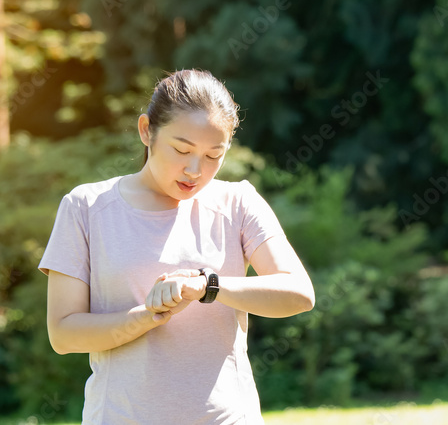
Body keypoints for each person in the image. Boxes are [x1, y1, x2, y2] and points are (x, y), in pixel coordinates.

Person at [38, 69, 315, 425]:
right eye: (182, 150)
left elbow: (298, 292)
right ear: (146, 131)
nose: (195, 170)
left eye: (214, 155)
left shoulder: (238, 202)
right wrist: (149, 315)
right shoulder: (86, 207)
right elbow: (63, 333)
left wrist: (208, 285)